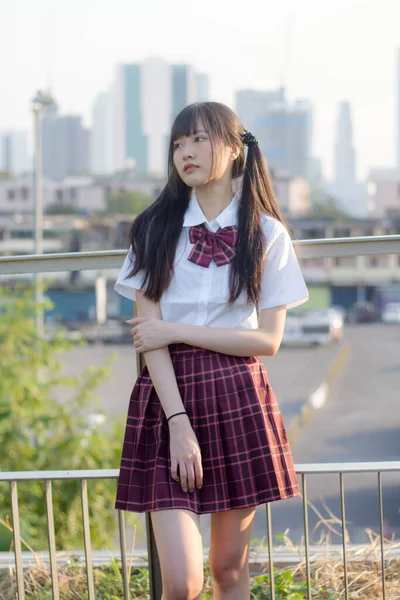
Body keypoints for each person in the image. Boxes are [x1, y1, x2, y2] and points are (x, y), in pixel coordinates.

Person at [113, 102, 309, 600]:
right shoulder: (154, 229)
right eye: (178, 144)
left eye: (198, 140)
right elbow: (147, 338)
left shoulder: (267, 234)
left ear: (232, 146)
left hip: (237, 396)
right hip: (167, 400)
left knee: (227, 569)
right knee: (181, 582)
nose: (186, 153)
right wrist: (178, 422)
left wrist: (174, 330)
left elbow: (268, 340)